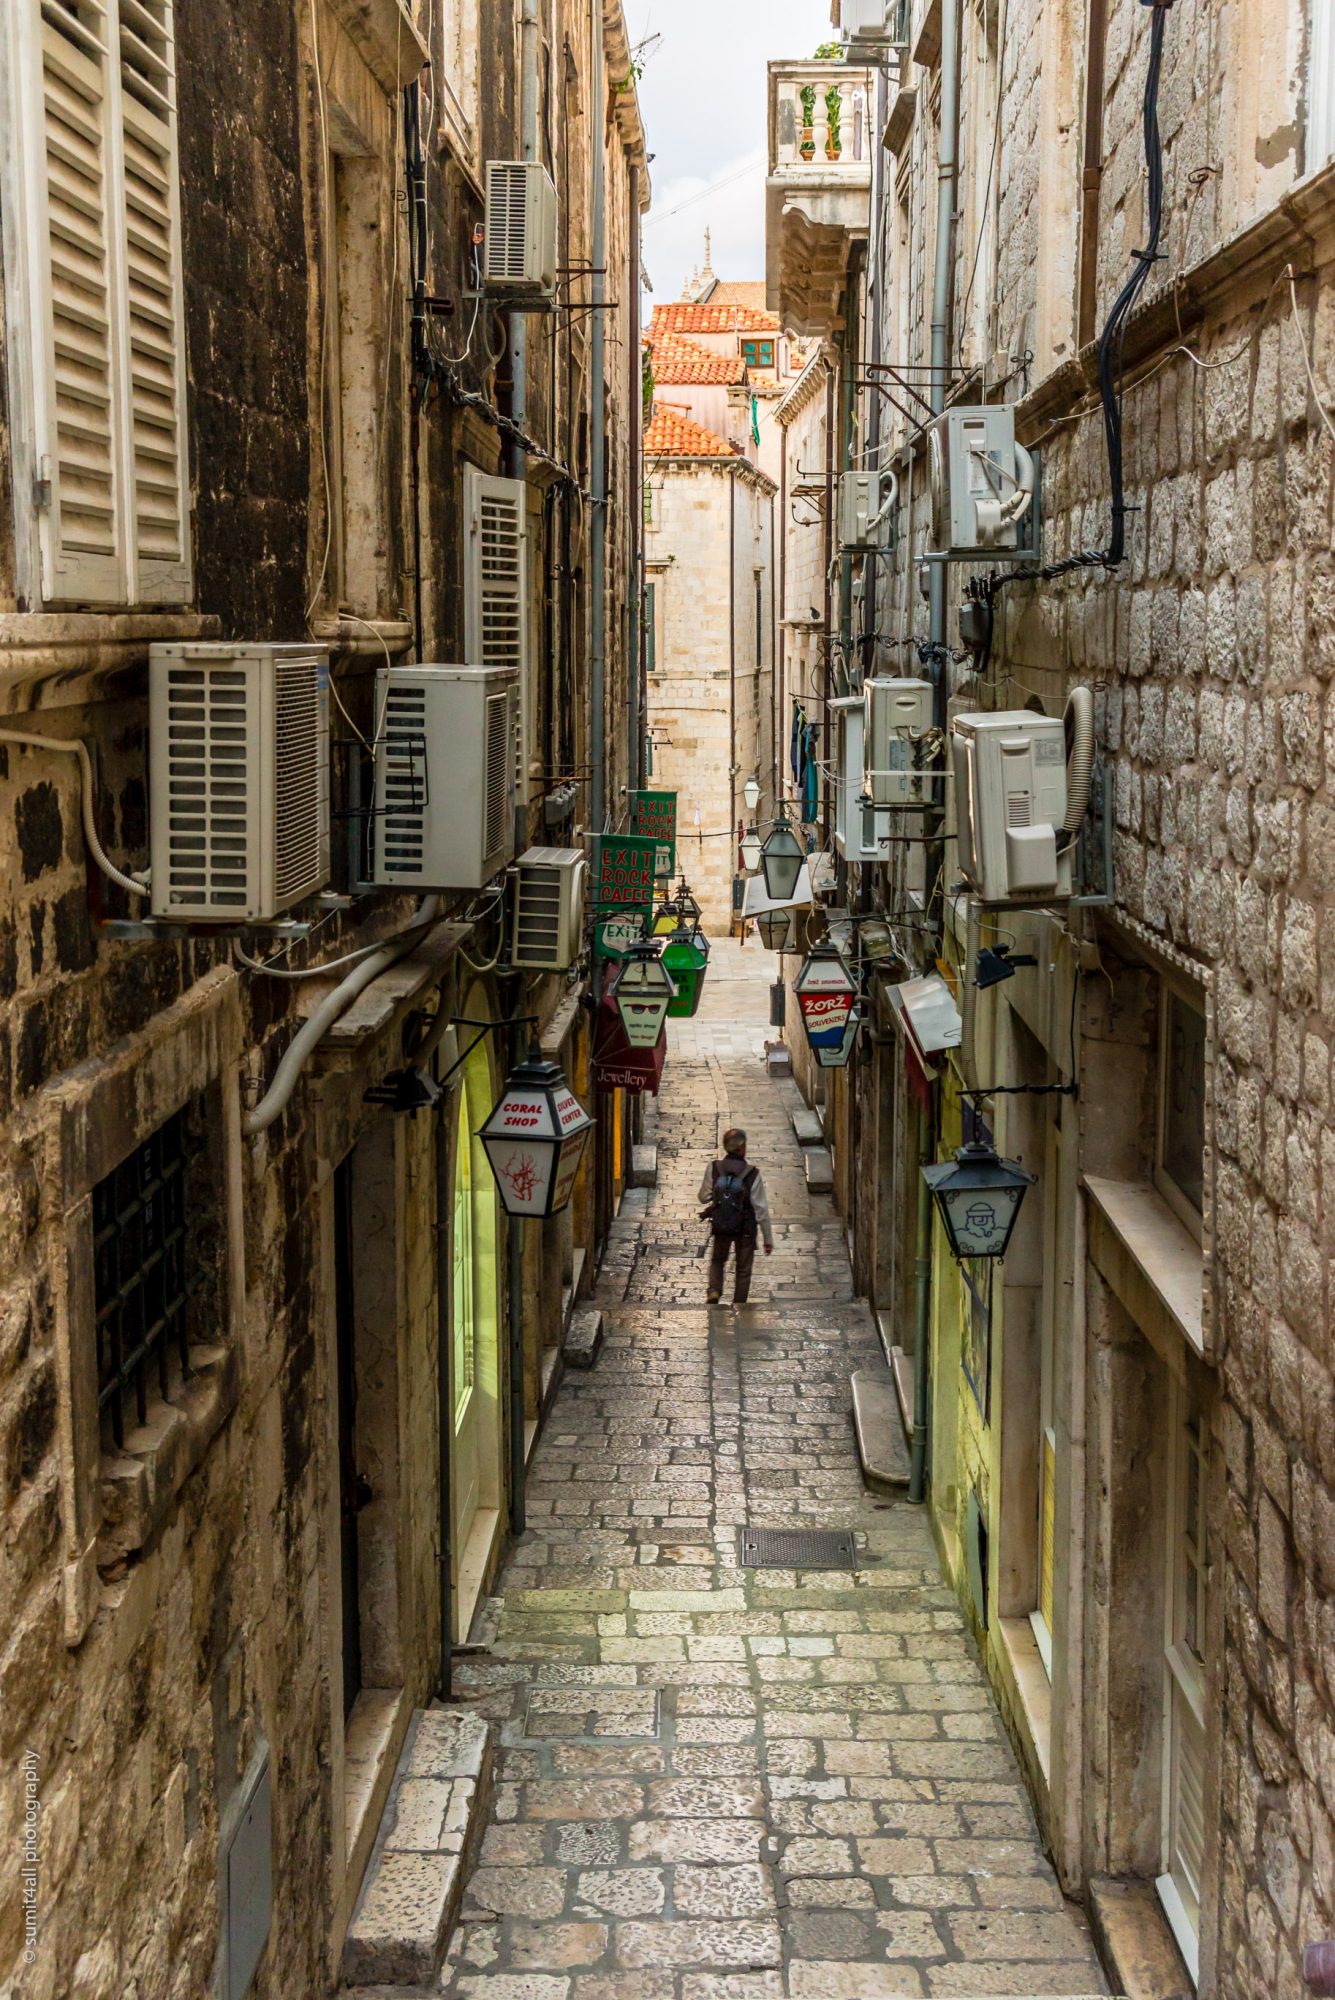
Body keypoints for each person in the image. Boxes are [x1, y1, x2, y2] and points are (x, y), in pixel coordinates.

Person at [698, 1128, 773, 1306]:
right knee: (743, 1269)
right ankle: (739, 1303)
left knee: (718, 1260)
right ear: (742, 1148)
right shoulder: (752, 1173)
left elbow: (703, 1197)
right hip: (745, 1228)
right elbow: (761, 1209)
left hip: (722, 1224)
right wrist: (767, 1239)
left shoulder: (714, 1167)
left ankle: (714, 1289)